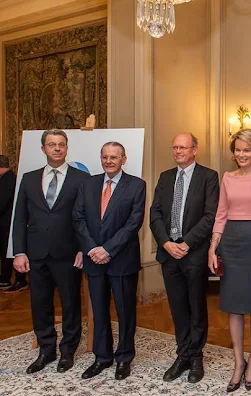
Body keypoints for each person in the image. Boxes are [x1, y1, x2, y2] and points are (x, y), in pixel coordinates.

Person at [12, 129, 89, 374]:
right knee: (40, 303)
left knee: (70, 304)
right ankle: (46, 350)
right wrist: (19, 252)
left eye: (61, 144)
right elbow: (20, 217)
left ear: (67, 149)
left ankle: (68, 351)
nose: (57, 148)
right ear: (43, 148)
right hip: (36, 254)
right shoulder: (29, 178)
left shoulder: (81, 179)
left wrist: (82, 249)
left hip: (68, 253)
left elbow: (87, 219)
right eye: (51, 144)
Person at [73, 142, 146, 380]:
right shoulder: (89, 184)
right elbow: (78, 218)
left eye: (114, 157)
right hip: (94, 258)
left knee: (125, 312)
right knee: (99, 310)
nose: (109, 161)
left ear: (123, 159)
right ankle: (101, 357)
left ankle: (124, 357)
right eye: (105, 157)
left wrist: (108, 249)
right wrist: (93, 248)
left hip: (122, 260)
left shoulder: (136, 185)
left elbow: (133, 223)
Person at [150, 133, 219, 383]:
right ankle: (182, 355)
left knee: (196, 307)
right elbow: (155, 212)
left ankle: (196, 356)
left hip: (194, 254)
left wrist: (186, 243)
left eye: (183, 147)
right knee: (178, 307)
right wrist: (167, 243)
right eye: (175, 147)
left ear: (194, 150)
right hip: (169, 254)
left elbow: (210, 216)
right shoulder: (165, 177)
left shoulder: (208, 177)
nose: (178, 151)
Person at [208, 129, 251, 392]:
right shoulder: (227, 177)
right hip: (231, 244)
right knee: (233, 305)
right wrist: (213, 248)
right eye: (238, 150)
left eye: (247, 150)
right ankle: (238, 361)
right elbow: (221, 214)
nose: (242, 154)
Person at [0, 154, 26, 291]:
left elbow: (2, 203)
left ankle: (12, 279)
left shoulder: (8, 180)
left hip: (7, 224)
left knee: (8, 253)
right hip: (6, 224)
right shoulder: (10, 178)